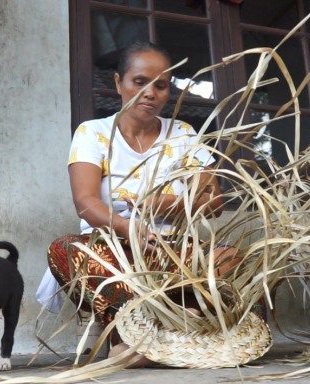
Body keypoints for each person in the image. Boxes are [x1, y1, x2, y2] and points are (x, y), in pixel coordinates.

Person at [39, 41, 229, 367]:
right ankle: (142, 331)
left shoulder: (183, 134)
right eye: (139, 82)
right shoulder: (93, 133)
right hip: (113, 252)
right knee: (65, 250)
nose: (150, 93)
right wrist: (131, 228)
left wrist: (162, 203)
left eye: (161, 85)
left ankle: (154, 335)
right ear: (118, 83)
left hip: (172, 254)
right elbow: (85, 203)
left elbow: (214, 202)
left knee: (231, 258)